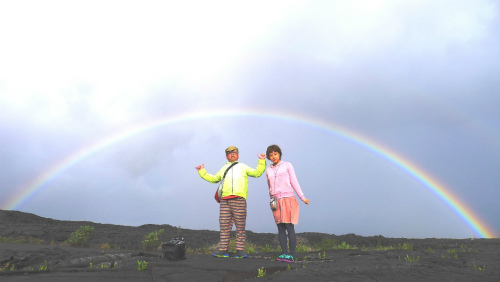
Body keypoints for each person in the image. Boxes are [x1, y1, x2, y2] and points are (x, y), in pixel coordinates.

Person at [196, 146, 266, 258]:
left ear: (238, 155)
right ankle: (223, 250)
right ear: (226, 156)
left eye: (234, 152)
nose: (232, 154)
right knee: (224, 226)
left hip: (239, 199)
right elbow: (214, 179)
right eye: (229, 153)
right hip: (225, 200)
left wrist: (262, 160)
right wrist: (202, 171)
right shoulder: (223, 168)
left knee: (240, 226)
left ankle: (240, 251)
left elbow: (257, 173)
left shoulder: (243, 166)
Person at [265, 144, 309, 263]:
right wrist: (272, 201)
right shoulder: (268, 170)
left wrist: (302, 197)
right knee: (280, 228)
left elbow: (294, 181)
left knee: (289, 227)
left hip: (288, 198)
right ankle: (284, 254)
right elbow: (269, 187)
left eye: (275, 153)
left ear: (279, 154)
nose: (273, 156)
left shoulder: (287, 165)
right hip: (276, 201)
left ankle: (292, 255)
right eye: (271, 155)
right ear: (269, 157)